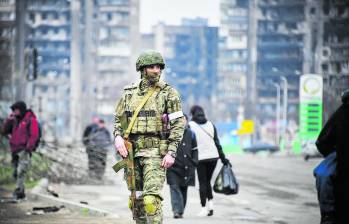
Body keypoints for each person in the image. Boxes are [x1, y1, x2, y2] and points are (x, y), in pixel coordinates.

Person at [113, 50, 185, 223]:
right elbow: (118, 120)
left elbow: (178, 124)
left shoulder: (168, 93)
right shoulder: (129, 93)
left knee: (150, 200)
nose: (156, 70)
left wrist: (171, 152)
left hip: (155, 152)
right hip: (132, 154)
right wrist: (117, 137)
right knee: (136, 200)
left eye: (159, 67)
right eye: (152, 67)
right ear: (142, 69)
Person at [188, 105, 230, 217]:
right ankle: (211, 207)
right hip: (213, 158)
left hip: (200, 158)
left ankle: (203, 208)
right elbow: (217, 143)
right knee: (207, 182)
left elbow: (189, 142)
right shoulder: (211, 124)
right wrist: (223, 158)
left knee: (202, 182)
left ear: (192, 113)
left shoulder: (190, 125)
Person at [316, 89, 349, 224]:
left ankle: (327, 214)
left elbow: (322, 142)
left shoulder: (342, 113)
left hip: (342, 164)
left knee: (322, 174)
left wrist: (335, 151)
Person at [1, 101, 39, 200]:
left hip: (24, 150)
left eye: (16, 110)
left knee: (21, 171)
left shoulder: (30, 119)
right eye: (14, 110)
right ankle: (20, 191)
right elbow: (4, 131)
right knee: (15, 172)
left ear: (21, 109)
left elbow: (34, 134)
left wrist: (29, 147)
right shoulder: (14, 120)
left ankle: (19, 192)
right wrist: (9, 120)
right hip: (14, 149)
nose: (15, 112)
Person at [166, 114, 198, 219]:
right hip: (173, 167)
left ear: (187, 121)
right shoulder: (169, 133)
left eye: (184, 120)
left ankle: (180, 210)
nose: (182, 122)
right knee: (174, 187)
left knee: (184, 189)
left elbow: (195, 149)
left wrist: (194, 161)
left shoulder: (191, 134)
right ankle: (176, 210)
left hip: (187, 167)